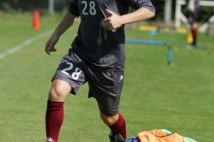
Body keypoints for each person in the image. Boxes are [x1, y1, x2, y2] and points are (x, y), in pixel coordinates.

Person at [44, 0, 155, 141]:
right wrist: (56, 34)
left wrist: (121, 19)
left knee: (109, 116)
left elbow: (149, 9)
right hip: (80, 55)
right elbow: (73, 11)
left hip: (109, 63)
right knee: (57, 91)